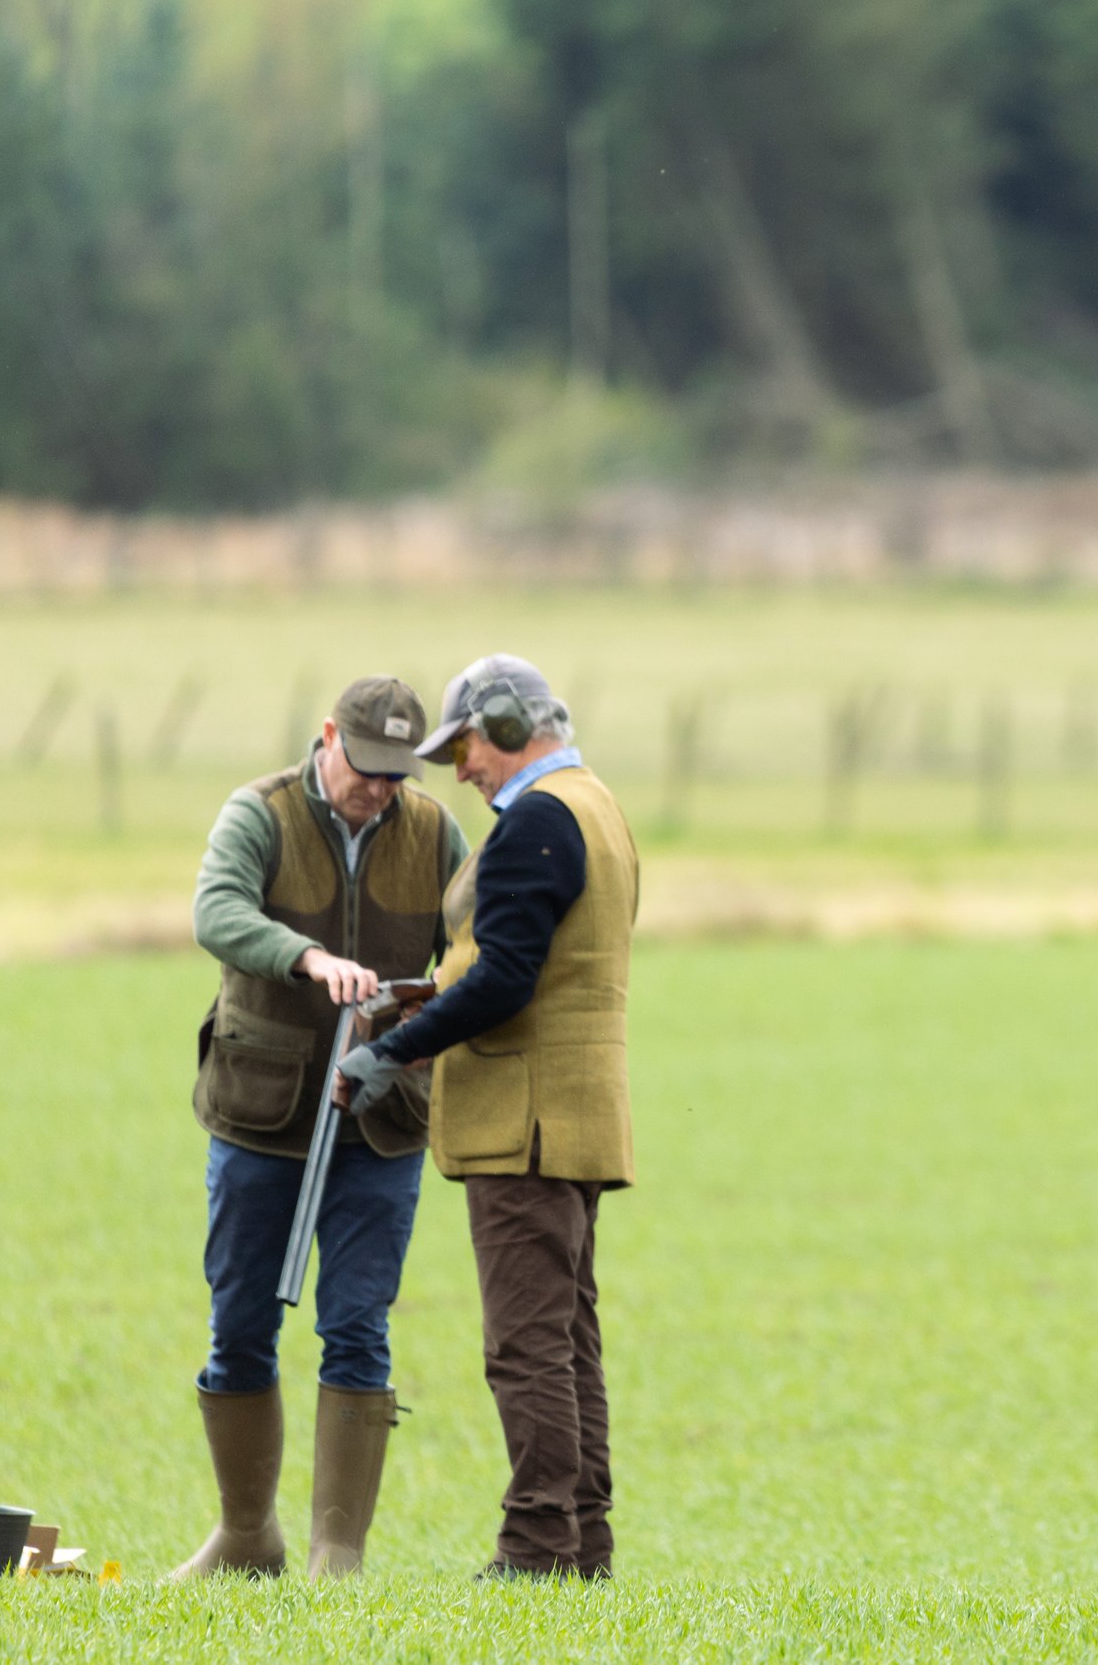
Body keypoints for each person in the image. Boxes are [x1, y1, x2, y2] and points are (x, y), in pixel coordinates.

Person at [335, 654, 638, 1579]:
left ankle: (539, 1547)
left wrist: (390, 1049)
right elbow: (535, 960)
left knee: (526, 1346)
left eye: (464, 745)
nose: (458, 768)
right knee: (568, 1337)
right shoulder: (596, 806)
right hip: (578, 1116)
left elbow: (507, 978)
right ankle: (582, 1543)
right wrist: (432, 999)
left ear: (507, 725)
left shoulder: (536, 822)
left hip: (525, 1121)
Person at [177, 675, 468, 1579]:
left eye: (396, 774)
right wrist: (306, 957)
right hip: (263, 1115)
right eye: (367, 767)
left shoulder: (435, 833)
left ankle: (336, 1552)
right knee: (240, 1325)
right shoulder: (259, 811)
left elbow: (471, 944)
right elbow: (216, 911)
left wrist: (431, 1014)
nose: (378, 788)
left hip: (380, 1124)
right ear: (328, 736)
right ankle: (245, 1536)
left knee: (358, 1326)